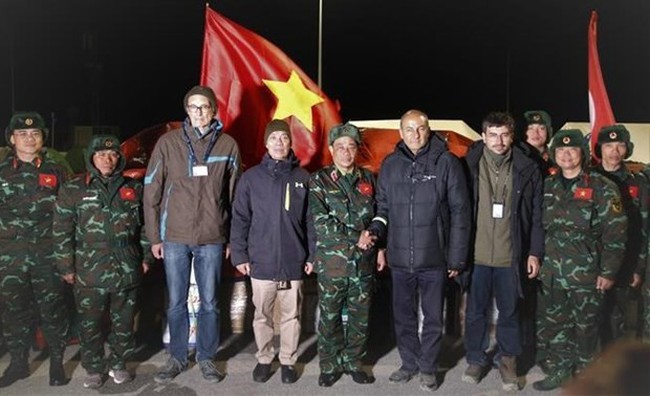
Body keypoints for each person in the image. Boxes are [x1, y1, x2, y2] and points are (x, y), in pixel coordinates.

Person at [144, 85, 241, 384]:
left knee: (210, 302)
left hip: (212, 237)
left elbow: (234, 198)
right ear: (186, 110)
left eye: (205, 106)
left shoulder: (227, 145)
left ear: (214, 110)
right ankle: (176, 357)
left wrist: (229, 238)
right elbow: (151, 191)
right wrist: (154, 237)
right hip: (174, 236)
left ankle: (207, 358)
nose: (199, 112)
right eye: (193, 106)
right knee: (176, 301)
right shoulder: (168, 143)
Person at [367, 109, 471, 392]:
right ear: (401, 133)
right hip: (400, 259)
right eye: (409, 129)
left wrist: (457, 257)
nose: (415, 134)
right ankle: (409, 363)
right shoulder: (390, 165)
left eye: (421, 128)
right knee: (403, 315)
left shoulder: (446, 162)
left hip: (434, 258)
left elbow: (460, 212)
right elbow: (383, 209)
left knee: (433, 317)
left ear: (429, 130)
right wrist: (379, 239)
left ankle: (428, 367)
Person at [52, 135, 154, 389]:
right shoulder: (74, 189)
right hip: (89, 268)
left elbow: (147, 228)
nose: (107, 160)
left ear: (119, 159)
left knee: (124, 322)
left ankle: (118, 364)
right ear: (91, 158)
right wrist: (66, 266)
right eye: (100, 155)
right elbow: (62, 230)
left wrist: (146, 258)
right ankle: (94, 368)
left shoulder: (133, 188)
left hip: (126, 265)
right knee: (90, 324)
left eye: (112, 155)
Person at [534, 129, 627, 391]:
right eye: (561, 150)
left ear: (582, 154)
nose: (566, 154)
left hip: (586, 275)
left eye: (572, 150)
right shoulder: (548, 186)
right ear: (554, 155)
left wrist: (608, 272)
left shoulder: (601, 187)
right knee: (557, 327)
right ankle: (561, 371)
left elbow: (616, 232)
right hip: (553, 273)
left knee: (587, 329)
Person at [461, 112, 543, 391]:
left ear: (512, 136)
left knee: (509, 312)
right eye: (493, 135)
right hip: (477, 256)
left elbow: (535, 215)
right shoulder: (467, 166)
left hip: (511, 255)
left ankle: (508, 360)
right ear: (483, 136)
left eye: (504, 134)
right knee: (475, 312)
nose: (499, 141)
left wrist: (534, 252)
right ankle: (475, 358)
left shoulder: (526, 168)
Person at [230, 119, 314, 384]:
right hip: (261, 261)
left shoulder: (303, 178)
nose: (279, 142)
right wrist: (240, 255)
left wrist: (312, 255)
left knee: (292, 316)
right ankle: (265, 358)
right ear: (266, 143)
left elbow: (311, 221)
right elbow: (240, 218)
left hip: (293, 260)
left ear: (291, 143)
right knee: (262, 316)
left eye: (284, 138)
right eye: (274, 138)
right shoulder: (251, 178)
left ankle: (288, 360)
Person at [308, 123, 385, 387]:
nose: (346, 151)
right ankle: (329, 365)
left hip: (362, 263)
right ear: (331, 150)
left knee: (359, 318)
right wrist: (357, 237)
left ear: (356, 150)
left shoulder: (368, 179)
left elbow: (379, 213)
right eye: (340, 146)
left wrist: (378, 243)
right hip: (333, 264)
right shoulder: (319, 180)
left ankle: (354, 363)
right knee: (329, 318)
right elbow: (321, 222)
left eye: (351, 146)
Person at [0, 112, 69, 388]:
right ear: (12, 138)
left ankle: (56, 363)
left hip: (48, 254)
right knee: (14, 311)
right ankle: (18, 363)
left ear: (42, 139)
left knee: (52, 309)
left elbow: (69, 212)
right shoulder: (2, 171)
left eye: (35, 134)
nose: (29, 138)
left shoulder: (56, 171)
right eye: (23, 134)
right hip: (10, 256)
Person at [594, 125, 648, 345]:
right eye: (608, 145)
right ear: (600, 149)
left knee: (618, 317)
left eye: (620, 145)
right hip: (590, 259)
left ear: (627, 149)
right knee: (589, 319)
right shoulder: (588, 178)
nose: (614, 151)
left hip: (625, 261)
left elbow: (643, 228)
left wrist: (638, 267)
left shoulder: (638, 182)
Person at [519, 110, 554, 176]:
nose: (536, 133)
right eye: (530, 128)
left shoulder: (558, 158)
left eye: (541, 128)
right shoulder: (516, 158)